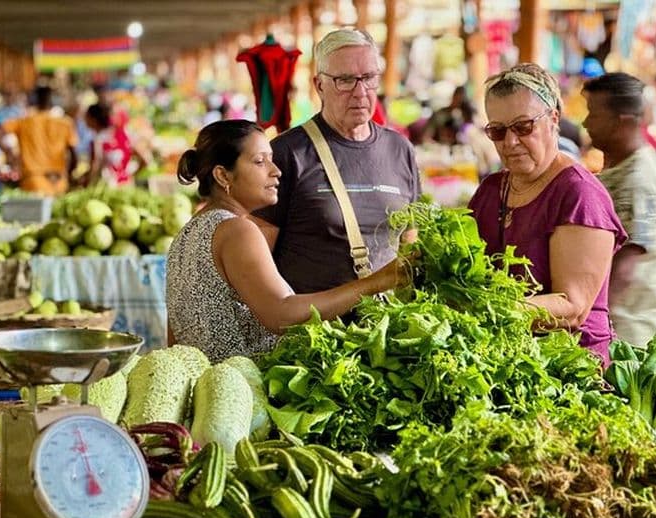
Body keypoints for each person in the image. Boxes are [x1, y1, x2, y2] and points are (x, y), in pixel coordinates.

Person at [166, 120, 409, 363]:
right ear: (222, 175)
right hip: (244, 389)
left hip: (210, 387)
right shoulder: (237, 230)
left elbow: (174, 337)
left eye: (270, 159)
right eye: (260, 161)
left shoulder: (187, 233)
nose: (276, 170)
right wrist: (377, 282)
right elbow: (282, 314)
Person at [468, 63, 627, 364]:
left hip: (570, 368)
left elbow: (572, 308)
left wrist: (485, 310)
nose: (510, 142)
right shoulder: (490, 190)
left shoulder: (579, 194)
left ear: (553, 119)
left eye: (523, 127)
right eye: (498, 131)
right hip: (504, 359)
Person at [253, 28, 421, 294]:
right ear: (319, 85)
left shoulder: (399, 149)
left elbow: (409, 243)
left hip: (385, 327)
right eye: (345, 80)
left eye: (368, 78)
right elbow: (257, 258)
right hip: (312, 328)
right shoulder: (288, 153)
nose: (360, 92)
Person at [582, 72, 656, 345]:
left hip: (632, 340)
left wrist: (585, 320)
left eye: (594, 114)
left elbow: (624, 268)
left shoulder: (639, 178)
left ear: (620, 123)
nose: (586, 122)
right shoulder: (622, 165)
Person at [0, 85, 78, 196]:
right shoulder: (66, 123)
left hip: (33, 182)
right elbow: (74, 157)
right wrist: (69, 175)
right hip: (59, 181)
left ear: (35, 101)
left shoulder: (24, 121)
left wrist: (9, 153)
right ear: (52, 102)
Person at [82, 102, 148, 187]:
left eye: (86, 117)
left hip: (107, 188)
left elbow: (96, 166)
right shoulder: (124, 134)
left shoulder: (97, 141)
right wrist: (131, 176)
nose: (84, 120)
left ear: (94, 119)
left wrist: (87, 185)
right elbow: (145, 160)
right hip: (127, 185)